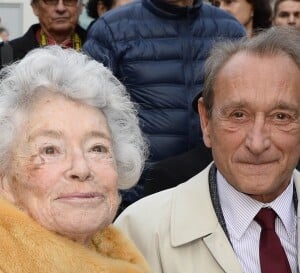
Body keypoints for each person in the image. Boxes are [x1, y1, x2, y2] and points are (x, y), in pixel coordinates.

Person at [115, 26, 300, 273]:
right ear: (206, 121)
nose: (257, 143)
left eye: (281, 117)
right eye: (238, 115)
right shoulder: (139, 233)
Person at [0, 46, 152, 273]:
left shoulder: (127, 268)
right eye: (50, 150)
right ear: (5, 179)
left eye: (97, 148)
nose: (81, 169)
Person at [83, 0, 245, 207]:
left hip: (216, 193)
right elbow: (90, 115)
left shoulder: (228, 29)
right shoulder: (112, 29)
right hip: (138, 196)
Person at [6, 0, 86, 64]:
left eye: (69, 0)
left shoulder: (96, 49)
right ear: (35, 7)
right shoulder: (7, 53)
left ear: (80, 7)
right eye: (51, 1)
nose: (61, 8)